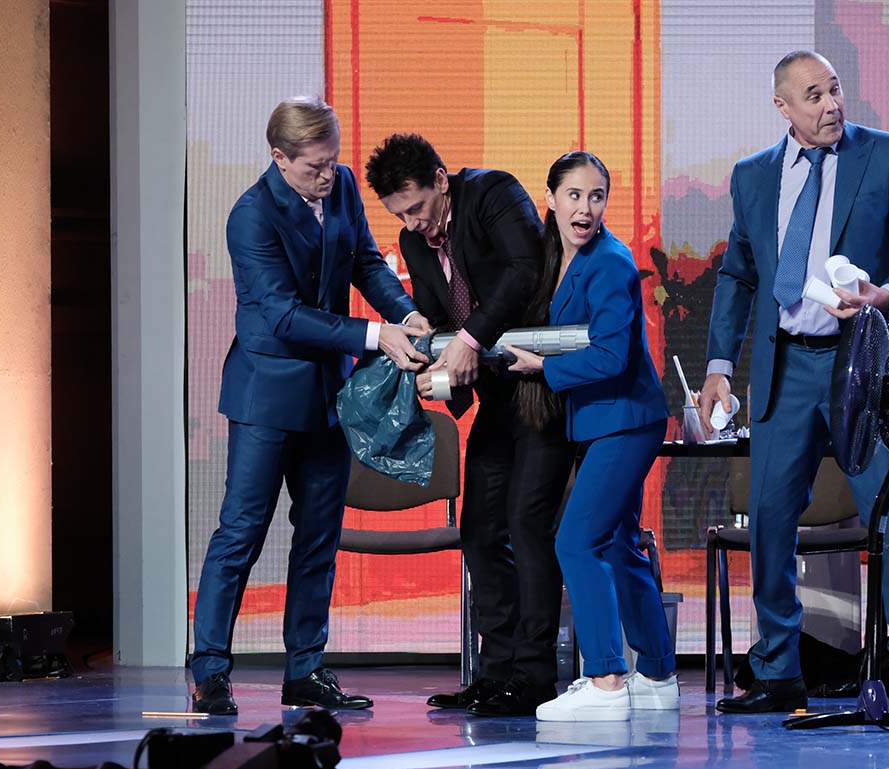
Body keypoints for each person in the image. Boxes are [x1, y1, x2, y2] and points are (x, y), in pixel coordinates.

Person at [698, 51, 889, 715]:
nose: (831, 104)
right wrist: (719, 365)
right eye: (813, 95)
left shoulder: (885, 155)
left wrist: (886, 295)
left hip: (864, 360)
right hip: (786, 366)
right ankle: (778, 670)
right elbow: (738, 275)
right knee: (769, 520)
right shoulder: (752, 176)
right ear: (783, 107)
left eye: (835, 89)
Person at [190, 97, 431, 715]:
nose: (328, 175)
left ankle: (305, 670)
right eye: (314, 167)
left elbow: (366, 263)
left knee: (319, 535)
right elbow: (281, 314)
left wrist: (404, 313)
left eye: (332, 162)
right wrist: (376, 335)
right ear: (279, 157)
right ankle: (210, 670)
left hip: (328, 394)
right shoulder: (251, 215)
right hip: (267, 396)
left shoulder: (343, 184)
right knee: (241, 532)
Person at [366, 135, 576, 717]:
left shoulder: (491, 193)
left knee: (527, 525)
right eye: (400, 216)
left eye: (417, 207)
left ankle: (534, 676)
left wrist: (470, 338)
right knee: (480, 529)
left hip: (539, 388)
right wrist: (428, 358)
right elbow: (439, 316)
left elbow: (525, 270)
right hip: (495, 396)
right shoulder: (414, 241)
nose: (413, 224)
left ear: (440, 180)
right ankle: (495, 672)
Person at [507, 151, 677, 722]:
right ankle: (658, 675)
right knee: (618, 544)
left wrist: (543, 368)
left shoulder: (609, 261)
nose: (585, 207)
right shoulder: (561, 256)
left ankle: (605, 679)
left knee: (576, 542)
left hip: (624, 419)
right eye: (574, 195)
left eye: (596, 196)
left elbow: (610, 355)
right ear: (550, 199)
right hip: (606, 421)